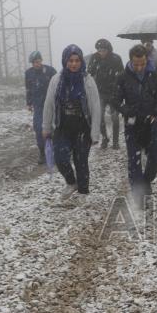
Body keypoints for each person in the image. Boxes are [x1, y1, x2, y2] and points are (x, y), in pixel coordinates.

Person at [42, 45, 101, 199]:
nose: (74, 64)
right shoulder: (56, 80)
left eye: (77, 60)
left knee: (81, 161)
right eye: (70, 60)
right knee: (60, 158)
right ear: (65, 61)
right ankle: (71, 182)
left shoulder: (87, 80)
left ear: (81, 61)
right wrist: (46, 127)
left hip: (82, 128)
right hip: (62, 127)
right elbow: (48, 104)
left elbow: (95, 107)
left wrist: (94, 133)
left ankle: (83, 191)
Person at [113, 45, 157, 205]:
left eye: (142, 63)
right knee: (134, 159)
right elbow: (115, 99)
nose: (139, 67)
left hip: (152, 122)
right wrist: (126, 110)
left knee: (155, 157)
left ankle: (146, 181)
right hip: (132, 123)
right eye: (136, 64)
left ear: (147, 60)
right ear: (131, 60)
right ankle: (139, 194)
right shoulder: (123, 77)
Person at [87, 39, 124, 149]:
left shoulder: (116, 58)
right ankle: (104, 138)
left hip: (114, 92)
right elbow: (89, 73)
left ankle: (115, 142)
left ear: (108, 49)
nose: (101, 52)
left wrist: (120, 90)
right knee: (99, 117)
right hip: (100, 92)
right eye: (99, 50)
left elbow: (122, 75)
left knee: (115, 118)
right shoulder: (94, 58)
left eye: (103, 50)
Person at [25, 51, 57, 164]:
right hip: (38, 105)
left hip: (51, 104)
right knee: (39, 129)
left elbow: (58, 85)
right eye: (34, 62)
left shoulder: (50, 71)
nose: (36, 64)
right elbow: (28, 89)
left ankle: (56, 151)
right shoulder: (29, 73)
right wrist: (29, 103)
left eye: (38, 61)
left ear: (41, 60)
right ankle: (42, 154)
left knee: (53, 128)